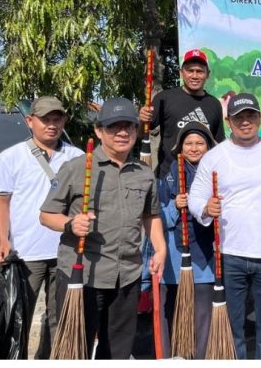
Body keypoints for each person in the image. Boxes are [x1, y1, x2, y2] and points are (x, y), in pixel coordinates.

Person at [39, 97, 167, 359]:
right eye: (113, 127)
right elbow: (46, 215)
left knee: (118, 350)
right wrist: (71, 223)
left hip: (127, 275)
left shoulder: (143, 173)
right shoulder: (76, 168)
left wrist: (161, 249)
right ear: (99, 131)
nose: (122, 133)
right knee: (76, 349)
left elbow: (150, 216)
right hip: (84, 275)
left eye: (128, 126)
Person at [187, 93, 261, 359]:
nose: (245, 122)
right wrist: (206, 208)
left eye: (251, 115)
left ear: (260, 118)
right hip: (230, 255)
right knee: (233, 330)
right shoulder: (214, 156)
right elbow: (196, 197)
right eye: (239, 117)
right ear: (229, 121)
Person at [0, 96, 84, 359]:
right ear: (30, 121)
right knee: (18, 318)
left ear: (64, 121)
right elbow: (0, 201)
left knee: (62, 319)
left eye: (57, 119)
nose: (51, 125)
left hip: (66, 252)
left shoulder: (77, 156)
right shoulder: (11, 157)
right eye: (45, 120)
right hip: (25, 252)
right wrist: (2, 239)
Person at [151, 121, 216, 359]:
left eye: (200, 143)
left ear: (210, 148)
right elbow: (156, 221)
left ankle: (199, 359)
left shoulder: (217, 176)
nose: (194, 148)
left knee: (202, 315)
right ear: (180, 148)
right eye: (188, 143)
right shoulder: (167, 180)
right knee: (169, 313)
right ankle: (169, 359)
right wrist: (175, 207)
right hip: (173, 261)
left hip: (205, 259)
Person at [139, 48, 225, 177]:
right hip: (169, 178)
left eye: (200, 71)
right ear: (181, 72)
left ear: (208, 74)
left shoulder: (214, 104)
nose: (195, 75)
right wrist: (141, 119)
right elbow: (141, 134)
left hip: (203, 177)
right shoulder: (164, 98)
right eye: (190, 71)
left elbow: (218, 145)